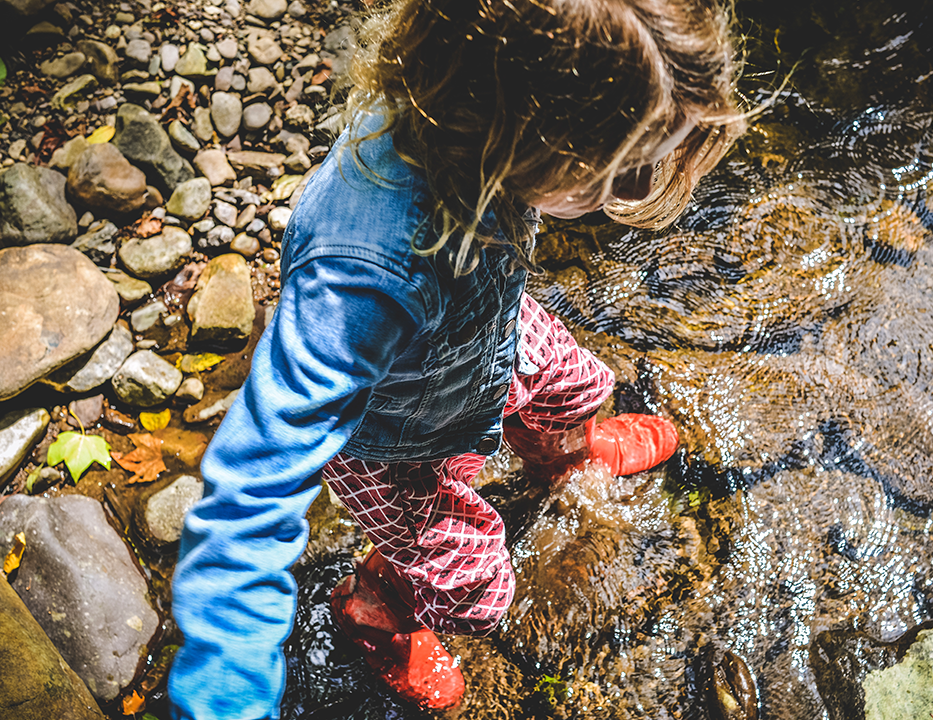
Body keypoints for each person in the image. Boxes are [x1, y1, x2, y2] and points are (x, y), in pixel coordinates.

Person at [168, 0, 745, 717]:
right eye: (620, 171)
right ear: (526, 137)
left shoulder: (470, 119)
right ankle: (378, 606)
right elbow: (251, 491)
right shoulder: (362, 273)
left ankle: (557, 454)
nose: (627, 195)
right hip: (393, 442)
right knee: (472, 586)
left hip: (475, 338)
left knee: (573, 384)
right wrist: (224, 691)